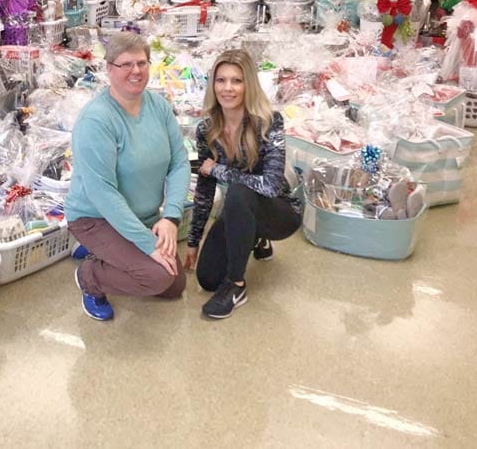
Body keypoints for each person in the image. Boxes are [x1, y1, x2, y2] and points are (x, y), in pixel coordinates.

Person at [65, 32, 189, 321]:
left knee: (174, 286)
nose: (136, 71)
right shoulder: (96, 120)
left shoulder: (157, 106)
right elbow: (103, 195)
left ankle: (107, 254)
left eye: (142, 63)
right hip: (95, 217)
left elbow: (180, 162)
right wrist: (148, 246)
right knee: (157, 277)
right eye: (126, 64)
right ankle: (90, 276)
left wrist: (170, 218)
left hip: (142, 215)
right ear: (109, 69)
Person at [183, 49, 301, 320]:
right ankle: (251, 237)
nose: (228, 88)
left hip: (280, 212)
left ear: (249, 84)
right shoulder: (207, 129)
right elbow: (204, 188)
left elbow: (271, 186)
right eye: (221, 80)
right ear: (212, 84)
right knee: (208, 279)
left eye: (236, 81)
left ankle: (236, 286)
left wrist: (220, 170)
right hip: (239, 210)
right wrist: (193, 240)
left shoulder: (269, 122)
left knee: (238, 191)